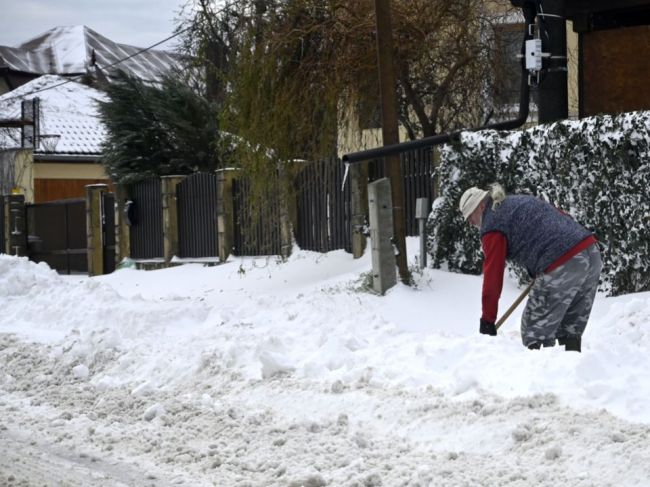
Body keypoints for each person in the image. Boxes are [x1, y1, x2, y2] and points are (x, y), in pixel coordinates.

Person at [458, 183, 602, 351]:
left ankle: (541, 375)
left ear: (481, 206)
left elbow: (493, 277)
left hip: (563, 261)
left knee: (534, 329)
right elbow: (559, 216)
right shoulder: (516, 202)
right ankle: (571, 369)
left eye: (469, 216)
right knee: (570, 329)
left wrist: (487, 321)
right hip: (591, 252)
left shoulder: (492, 223)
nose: (470, 223)